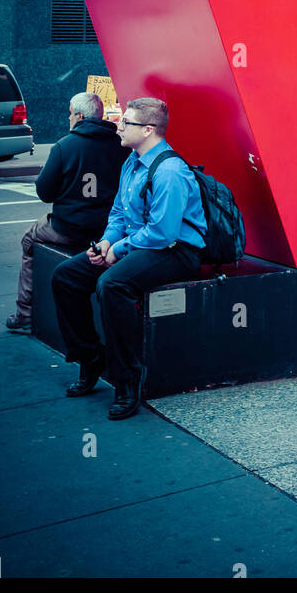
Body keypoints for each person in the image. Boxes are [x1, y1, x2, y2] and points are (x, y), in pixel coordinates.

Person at [50, 98, 206, 420]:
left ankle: (127, 378)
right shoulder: (131, 161)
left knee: (113, 284)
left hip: (177, 251)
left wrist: (118, 250)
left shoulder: (170, 171)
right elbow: (120, 212)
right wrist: (107, 242)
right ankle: (91, 357)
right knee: (65, 276)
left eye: (126, 122)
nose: (118, 126)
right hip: (139, 242)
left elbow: (163, 233)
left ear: (148, 130)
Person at [6, 93, 128, 334]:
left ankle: (24, 313)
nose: (69, 116)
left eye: (70, 112)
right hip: (109, 231)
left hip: (68, 228)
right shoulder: (120, 146)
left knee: (29, 238)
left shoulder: (64, 146)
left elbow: (45, 192)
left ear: (80, 116)